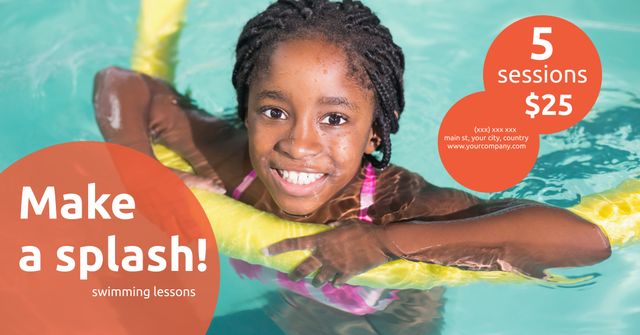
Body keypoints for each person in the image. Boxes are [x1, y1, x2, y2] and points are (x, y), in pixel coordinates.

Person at [93, 1, 611, 333]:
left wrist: (385, 244)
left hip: (393, 326)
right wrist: (137, 170)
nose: (299, 144)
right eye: (274, 112)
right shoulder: (232, 162)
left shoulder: (402, 208)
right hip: (294, 317)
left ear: (374, 135)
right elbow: (123, 83)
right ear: (247, 114)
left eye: (335, 119)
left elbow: (585, 241)